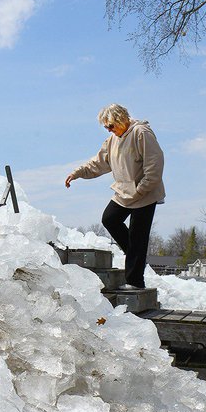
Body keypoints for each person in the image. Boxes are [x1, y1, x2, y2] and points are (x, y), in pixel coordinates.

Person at [65, 104, 165, 290]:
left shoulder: (141, 133)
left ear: (121, 119)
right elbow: (97, 163)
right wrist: (77, 173)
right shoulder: (112, 141)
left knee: (138, 236)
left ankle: (135, 282)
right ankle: (136, 255)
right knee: (110, 219)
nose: (109, 130)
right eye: (106, 127)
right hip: (124, 192)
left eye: (111, 126)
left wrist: (142, 188)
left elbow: (155, 163)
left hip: (145, 193)